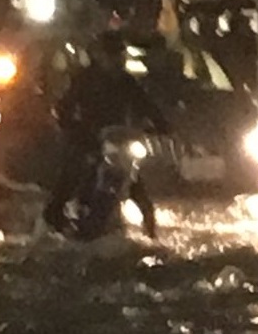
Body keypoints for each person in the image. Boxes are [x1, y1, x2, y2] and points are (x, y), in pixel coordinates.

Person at [40, 28, 169, 237]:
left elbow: (145, 105)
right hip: (88, 139)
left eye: (120, 54)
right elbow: (64, 108)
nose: (117, 60)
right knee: (72, 176)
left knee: (139, 191)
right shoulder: (84, 79)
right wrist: (74, 128)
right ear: (100, 56)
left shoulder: (127, 82)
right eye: (112, 55)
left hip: (118, 142)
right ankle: (58, 220)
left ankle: (151, 235)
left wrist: (160, 125)